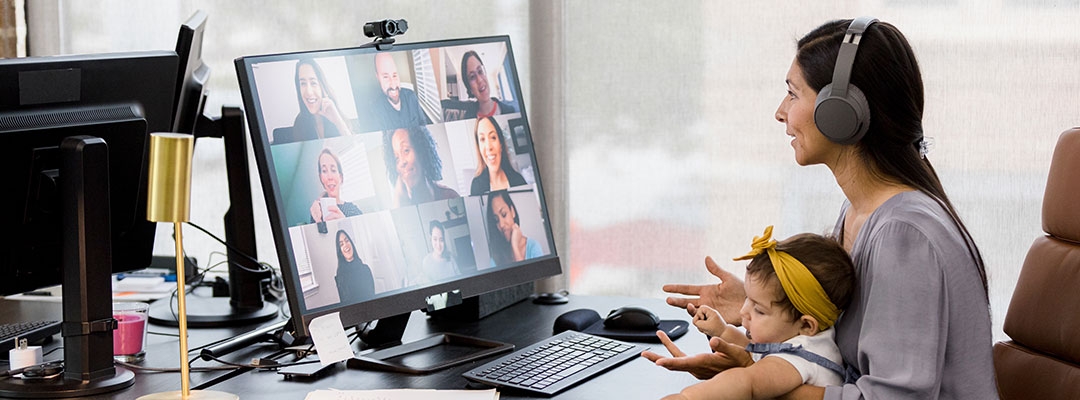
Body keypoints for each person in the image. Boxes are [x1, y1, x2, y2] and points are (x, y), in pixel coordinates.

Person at [647, 18, 998, 399]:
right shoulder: (860, 211)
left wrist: (750, 385)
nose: (781, 112)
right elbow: (840, 359)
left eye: (793, 94)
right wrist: (773, 306)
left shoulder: (904, 235)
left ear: (841, 113)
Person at [663, 226, 855, 400]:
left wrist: (687, 397)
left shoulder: (801, 358)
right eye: (748, 298)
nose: (743, 311)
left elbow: (747, 382)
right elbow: (755, 352)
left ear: (806, 325)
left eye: (759, 309)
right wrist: (722, 331)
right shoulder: (811, 336)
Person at [278, 58, 353, 144]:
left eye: (313, 83)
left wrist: (337, 121)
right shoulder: (299, 123)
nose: (309, 92)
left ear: (322, 87)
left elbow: (356, 150)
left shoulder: (336, 114)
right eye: (303, 84)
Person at [382, 126, 459, 207]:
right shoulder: (399, 205)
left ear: (421, 152)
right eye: (396, 158)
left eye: (406, 150)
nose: (402, 162)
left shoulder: (450, 196)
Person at [369, 52, 432, 131]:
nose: (393, 85)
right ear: (378, 77)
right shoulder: (376, 109)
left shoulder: (411, 96)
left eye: (394, 75)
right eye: (385, 77)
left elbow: (423, 124)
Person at [469, 116, 526, 196]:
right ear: (479, 148)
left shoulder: (518, 180)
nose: (488, 147)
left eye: (493, 137)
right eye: (482, 139)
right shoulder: (476, 186)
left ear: (501, 144)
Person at [486, 190, 542, 267]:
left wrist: (515, 247)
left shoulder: (533, 248)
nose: (501, 225)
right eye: (496, 220)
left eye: (504, 214)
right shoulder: (495, 258)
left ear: (512, 211)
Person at [309, 148, 362, 225]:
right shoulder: (317, 211)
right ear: (321, 177)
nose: (329, 177)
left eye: (333, 170)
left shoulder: (353, 210)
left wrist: (344, 223)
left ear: (340, 177)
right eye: (324, 171)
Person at [460, 50, 517, 119]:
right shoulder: (467, 118)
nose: (480, 80)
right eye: (472, 77)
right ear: (469, 88)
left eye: (480, 71)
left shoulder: (511, 112)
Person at [334, 229, 375, 304]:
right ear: (340, 251)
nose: (345, 245)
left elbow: (372, 298)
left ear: (351, 243)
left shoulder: (365, 269)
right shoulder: (339, 276)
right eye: (341, 244)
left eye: (347, 241)